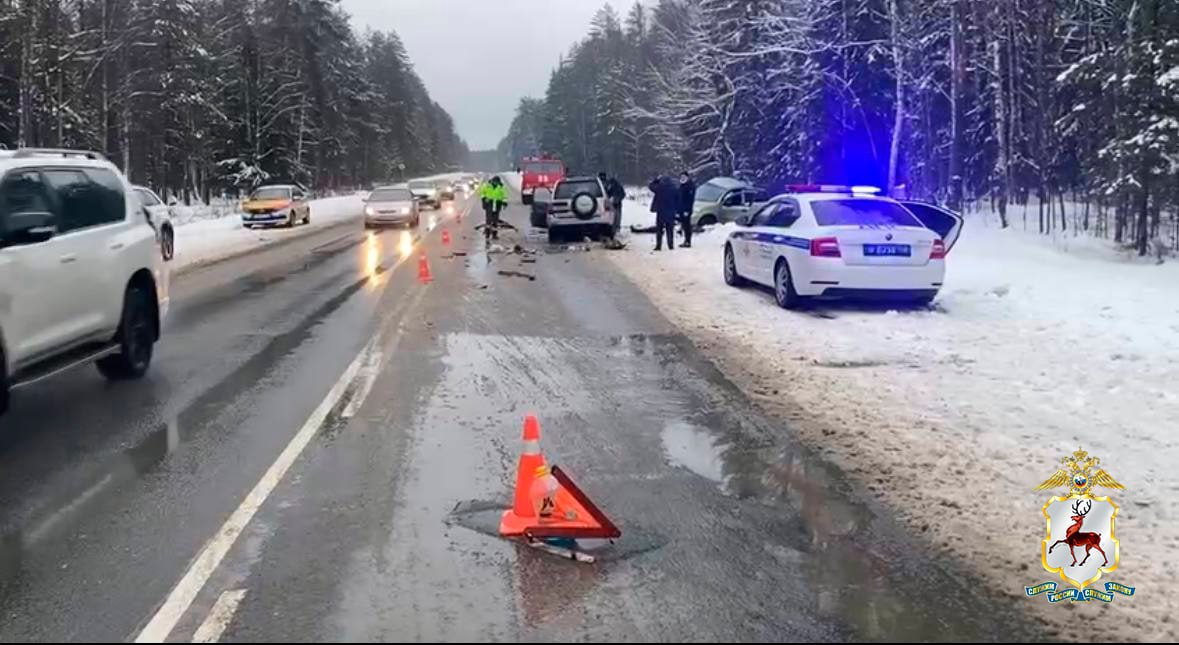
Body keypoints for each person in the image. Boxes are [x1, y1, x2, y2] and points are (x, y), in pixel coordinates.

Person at [648, 175, 679, 251]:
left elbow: (651, 186)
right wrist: (676, 210)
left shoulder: (660, 188)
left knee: (659, 229)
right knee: (670, 230)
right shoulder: (674, 188)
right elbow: (678, 199)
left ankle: (658, 246)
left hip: (661, 211)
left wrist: (656, 180)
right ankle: (670, 245)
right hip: (670, 212)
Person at [479, 175, 508, 241]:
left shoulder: (501, 187)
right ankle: (487, 234)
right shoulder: (487, 186)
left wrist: (504, 202)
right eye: (495, 182)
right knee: (488, 220)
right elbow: (482, 193)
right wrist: (484, 199)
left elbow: (504, 195)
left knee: (495, 220)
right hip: (489, 204)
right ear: (492, 181)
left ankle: (494, 234)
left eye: (497, 182)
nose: (496, 183)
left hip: (497, 204)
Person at [598, 171, 626, 237]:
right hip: (609, 204)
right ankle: (614, 230)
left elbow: (621, 193)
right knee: (614, 217)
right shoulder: (609, 184)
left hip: (613, 204)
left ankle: (615, 230)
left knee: (614, 217)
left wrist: (616, 199)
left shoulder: (611, 184)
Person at [677, 171, 697, 248]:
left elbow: (690, 200)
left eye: (684, 177)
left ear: (687, 177)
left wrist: (687, 210)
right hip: (681, 209)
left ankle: (688, 241)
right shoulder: (682, 185)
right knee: (684, 226)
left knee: (687, 226)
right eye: (681, 177)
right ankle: (686, 240)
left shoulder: (690, 186)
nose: (682, 178)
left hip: (686, 210)